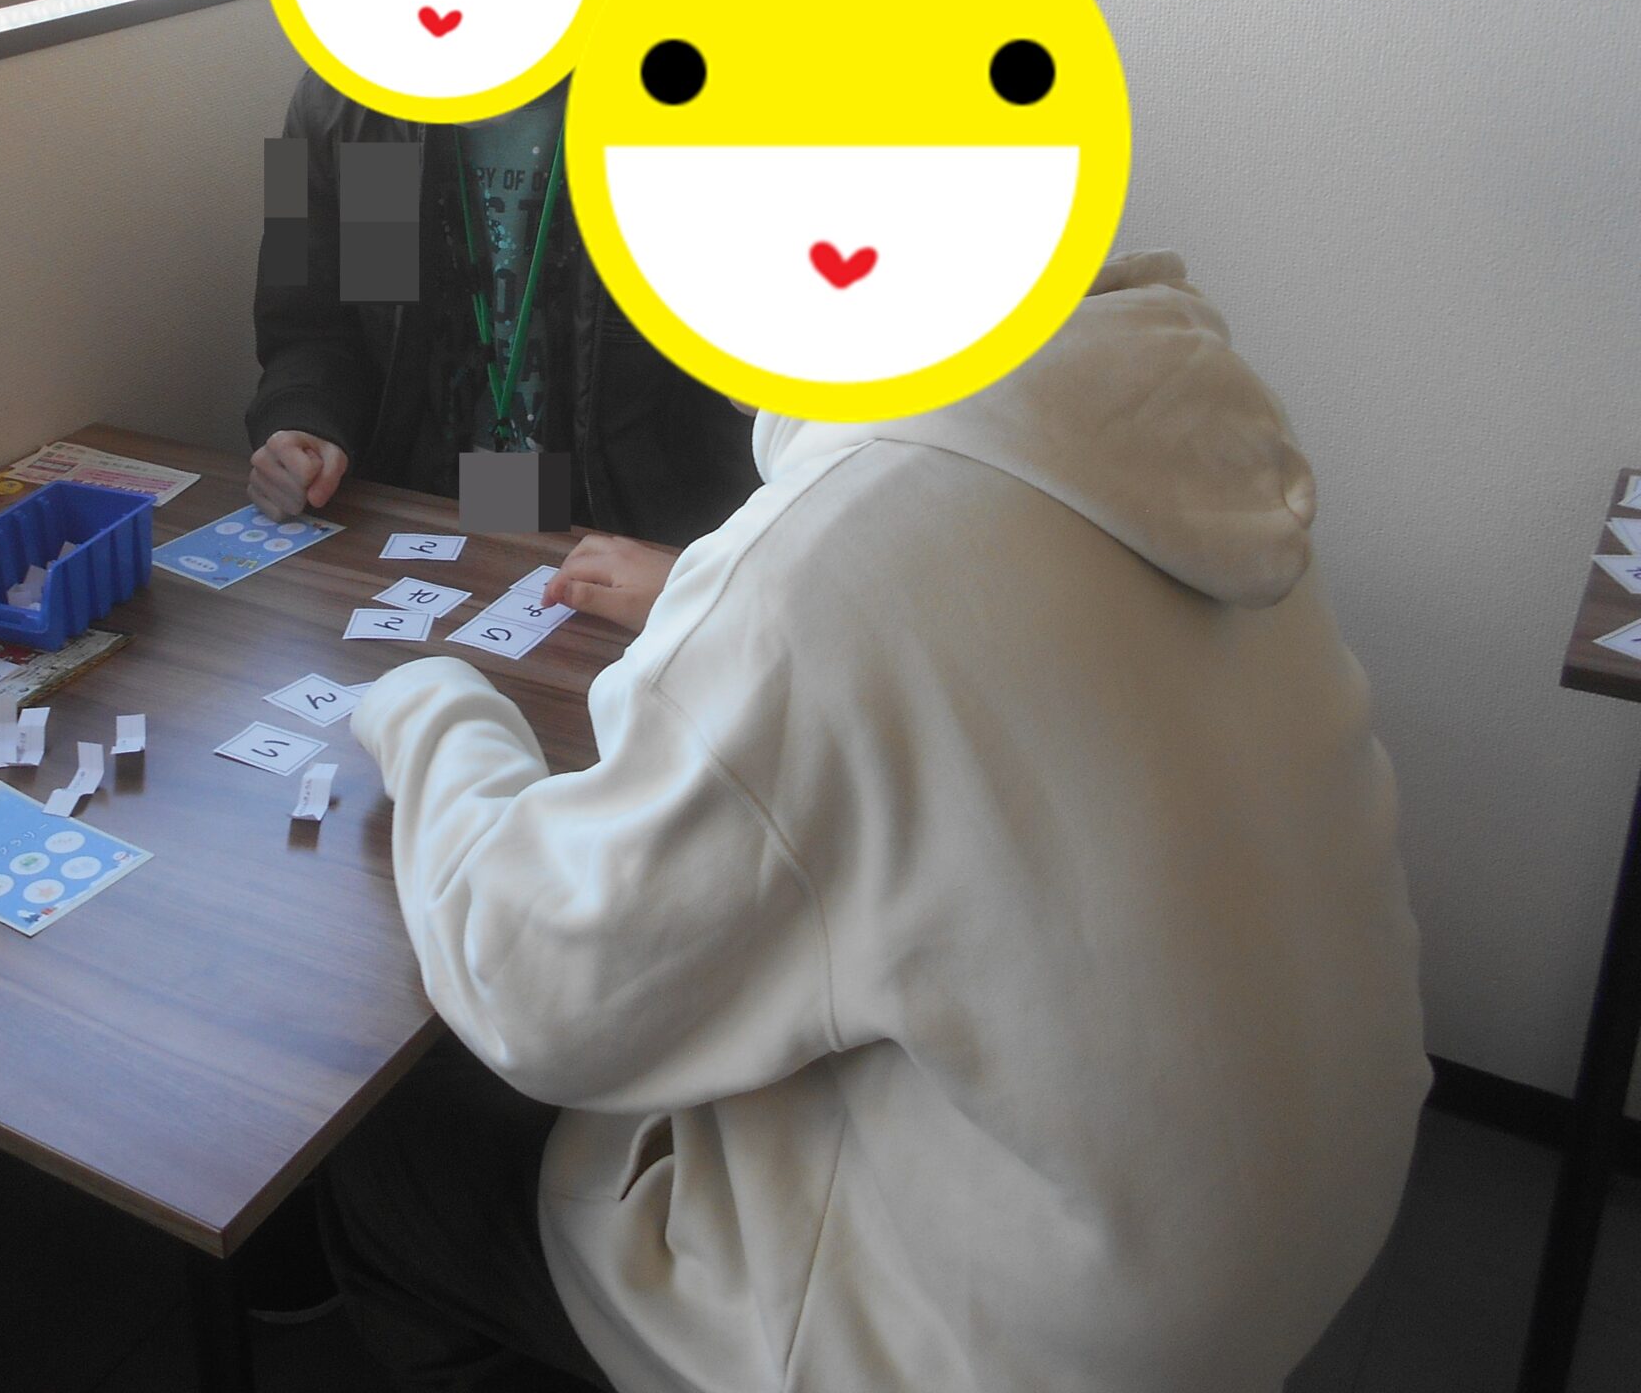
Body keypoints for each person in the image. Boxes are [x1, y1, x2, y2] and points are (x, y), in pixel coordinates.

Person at [323, 251, 1431, 1393]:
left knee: (399, 1151)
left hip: (1050, 1337)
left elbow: (535, 993)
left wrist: (430, 701)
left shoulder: (825, 567)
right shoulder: (1160, 420)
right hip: (1309, 1207)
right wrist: (730, 584)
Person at [246, 68, 759, 544]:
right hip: (417, 509)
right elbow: (299, 327)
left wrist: (721, 557)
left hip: (634, 532)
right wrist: (302, 421)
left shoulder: (710, 95)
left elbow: (753, 394)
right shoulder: (328, 103)